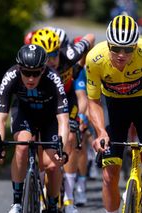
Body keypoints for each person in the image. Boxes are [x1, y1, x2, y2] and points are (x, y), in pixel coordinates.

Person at [86, 15, 142, 213]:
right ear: (108, 44)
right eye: (116, 48)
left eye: (128, 49)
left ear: (135, 46)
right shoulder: (95, 59)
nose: (121, 54)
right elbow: (93, 101)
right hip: (114, 108)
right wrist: (100, 132)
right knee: (109, 175)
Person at [0, 44, 69, 213]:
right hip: (24, 113)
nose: (31, 78)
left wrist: (61, 148)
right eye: (26, 72)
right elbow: (0, 118)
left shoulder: (53, 78)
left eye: (36, 73)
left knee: (52, 165)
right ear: (19, 68)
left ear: (44, 69)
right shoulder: (10, 76)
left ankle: (52, 204)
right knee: (22, 146)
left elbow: (63, 119)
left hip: (49, 118)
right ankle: (17, 202)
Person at [31, 28, 95, 213]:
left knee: (70, 139)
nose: (50, 60)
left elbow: (90, 37)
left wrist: (82, 62)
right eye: (46, 56)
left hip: (67, 100)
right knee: (40, 142)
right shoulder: (34, 64)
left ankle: (69, 197)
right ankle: (43, 187)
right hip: (45, 103)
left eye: (53, 54)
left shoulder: (69, 56)